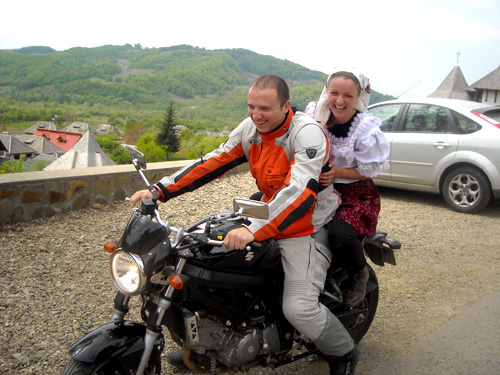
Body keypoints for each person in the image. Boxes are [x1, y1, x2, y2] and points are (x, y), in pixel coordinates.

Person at [130, 75, 360, 374]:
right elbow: (214, 159)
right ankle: (202, 345)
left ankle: (343, 353)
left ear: (286, 106)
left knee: (299, 308)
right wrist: (160, 190)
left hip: (306, 221)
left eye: (265, 108)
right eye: (251, 106)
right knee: (196, 263)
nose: (256, 114)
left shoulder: (306, 133)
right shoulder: (250, 128)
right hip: (266, 209)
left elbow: (299, 192)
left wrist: (252, 229)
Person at [306, 68, 390, 306]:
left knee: (339, 235)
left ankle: (358, 273)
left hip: (354, 192)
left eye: (348, 96)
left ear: (358, 97)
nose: (339, 101)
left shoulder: (365, 128)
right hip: (317, 185)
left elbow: (370, 170)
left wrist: (337, 173)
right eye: (334, 93)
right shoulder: (316, 113)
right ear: (327, 91)